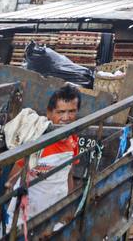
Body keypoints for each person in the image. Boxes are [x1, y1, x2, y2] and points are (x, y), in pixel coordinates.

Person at [11, 84, 81, 222]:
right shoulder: (37, 141)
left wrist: (68, 207)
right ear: (49, 113)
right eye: (60, 112)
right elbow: (13, 177)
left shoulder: (73, 139)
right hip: (30, 211)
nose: (66, 118)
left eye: (71, 111)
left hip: (56, 208)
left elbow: (69, 174)